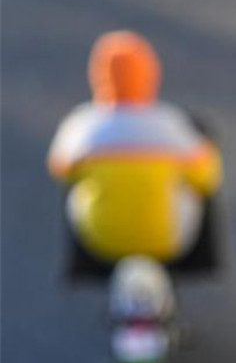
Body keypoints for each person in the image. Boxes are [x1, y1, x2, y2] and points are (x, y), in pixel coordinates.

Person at [47, 30, 224, 279]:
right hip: (168, 238)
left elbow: (60, 168)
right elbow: (207, 179)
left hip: (100, 239)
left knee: (75, 188)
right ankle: (200, 267)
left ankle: (83, 272)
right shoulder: (172, 124)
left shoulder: (81, 125)